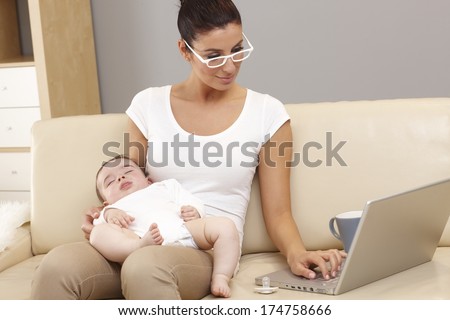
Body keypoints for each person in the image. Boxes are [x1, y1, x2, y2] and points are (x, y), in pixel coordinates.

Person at [31, 0, 344, 300]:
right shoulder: (148, 105)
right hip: (136, 238)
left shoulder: (267, 113)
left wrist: (297, 253)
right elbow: (129, 182)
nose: (230, 66)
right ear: (185, 50)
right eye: (214, 55)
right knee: (57, 266)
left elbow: (278, 213)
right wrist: (103, 214)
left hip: (203, 246)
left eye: (237, 50)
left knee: (146, 266)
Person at [90, 155, 239, 298]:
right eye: (109, 182)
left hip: (184, 231)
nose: (120, 178)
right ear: (106, 202)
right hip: (143, 241)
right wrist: (109, 214)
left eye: (128, 171)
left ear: (149, 181)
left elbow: (189, 199)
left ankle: (221, 276)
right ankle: (136, 247)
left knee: (225, 225)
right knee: (97, 233)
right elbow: (100, 227)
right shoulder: (113, 209)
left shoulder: (165, 186)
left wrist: (195, 211)